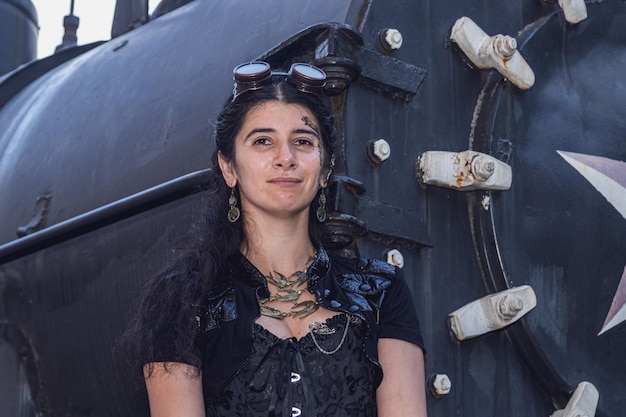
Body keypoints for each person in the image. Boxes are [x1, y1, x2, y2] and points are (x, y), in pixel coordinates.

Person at [123, 61, 428, 417]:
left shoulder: (380, 290)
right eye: (263, 141)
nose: (286, 158)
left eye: (302, 141)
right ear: (229, 167)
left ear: (325, 169)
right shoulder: (184, 299)